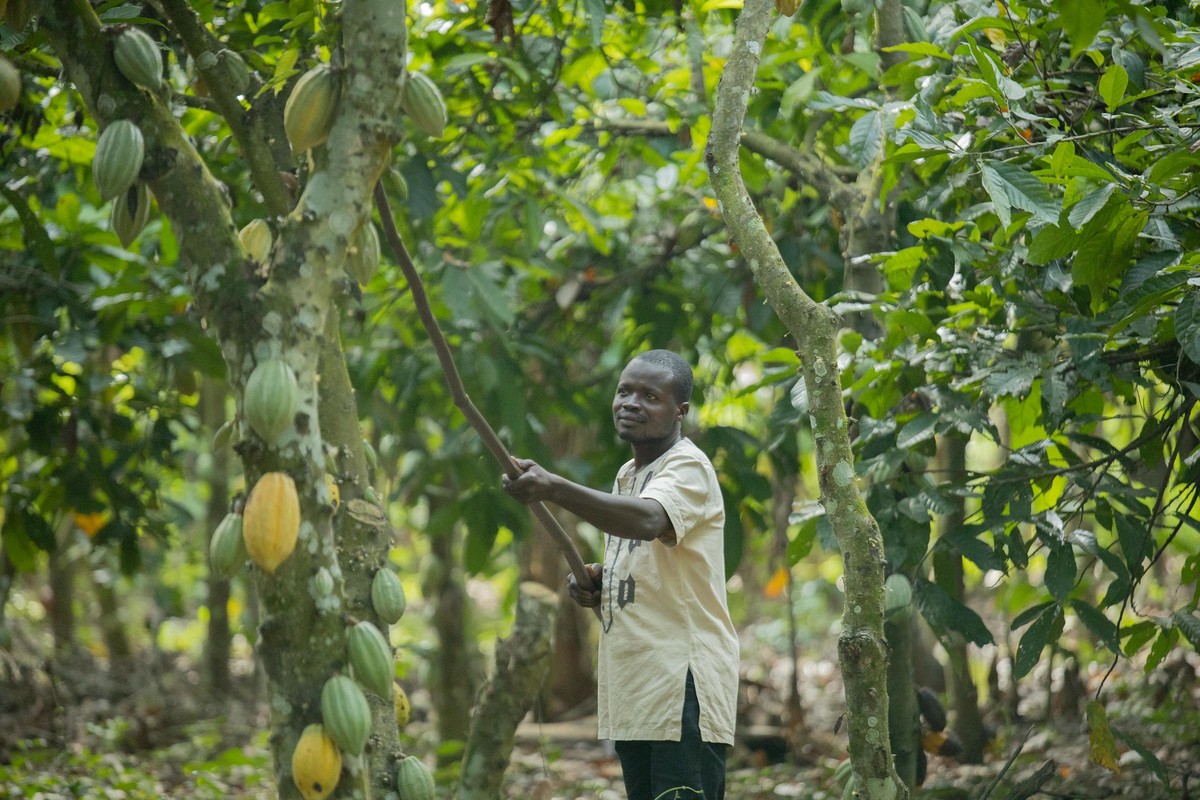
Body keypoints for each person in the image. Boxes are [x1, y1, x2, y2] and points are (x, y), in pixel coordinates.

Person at [503, 349, 739, 800]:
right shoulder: (630, 474)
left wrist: (553, 486)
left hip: (682, 686)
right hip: (638, 686)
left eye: (650, 396)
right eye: (625, 391)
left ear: (680, 411)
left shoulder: (687, 466)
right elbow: (645, 556)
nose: (631, 403)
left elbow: (648, 521)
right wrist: (599, 578)